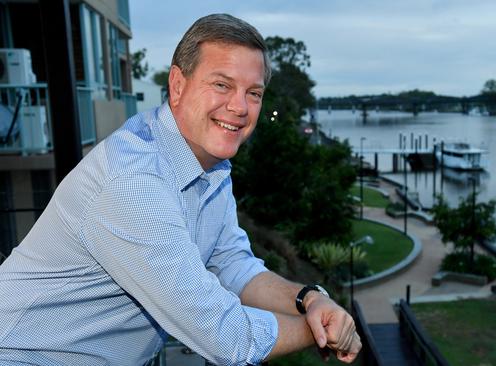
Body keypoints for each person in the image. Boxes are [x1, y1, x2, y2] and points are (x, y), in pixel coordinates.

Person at [0, 14, 361, 365]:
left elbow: (230, 263)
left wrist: (310, 300)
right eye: (221, 84)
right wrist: (322, 331)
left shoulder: (211, 164)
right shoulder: (133, 182)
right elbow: (224, 337)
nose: (239, 107)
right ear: (177, 85)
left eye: (253, 92)